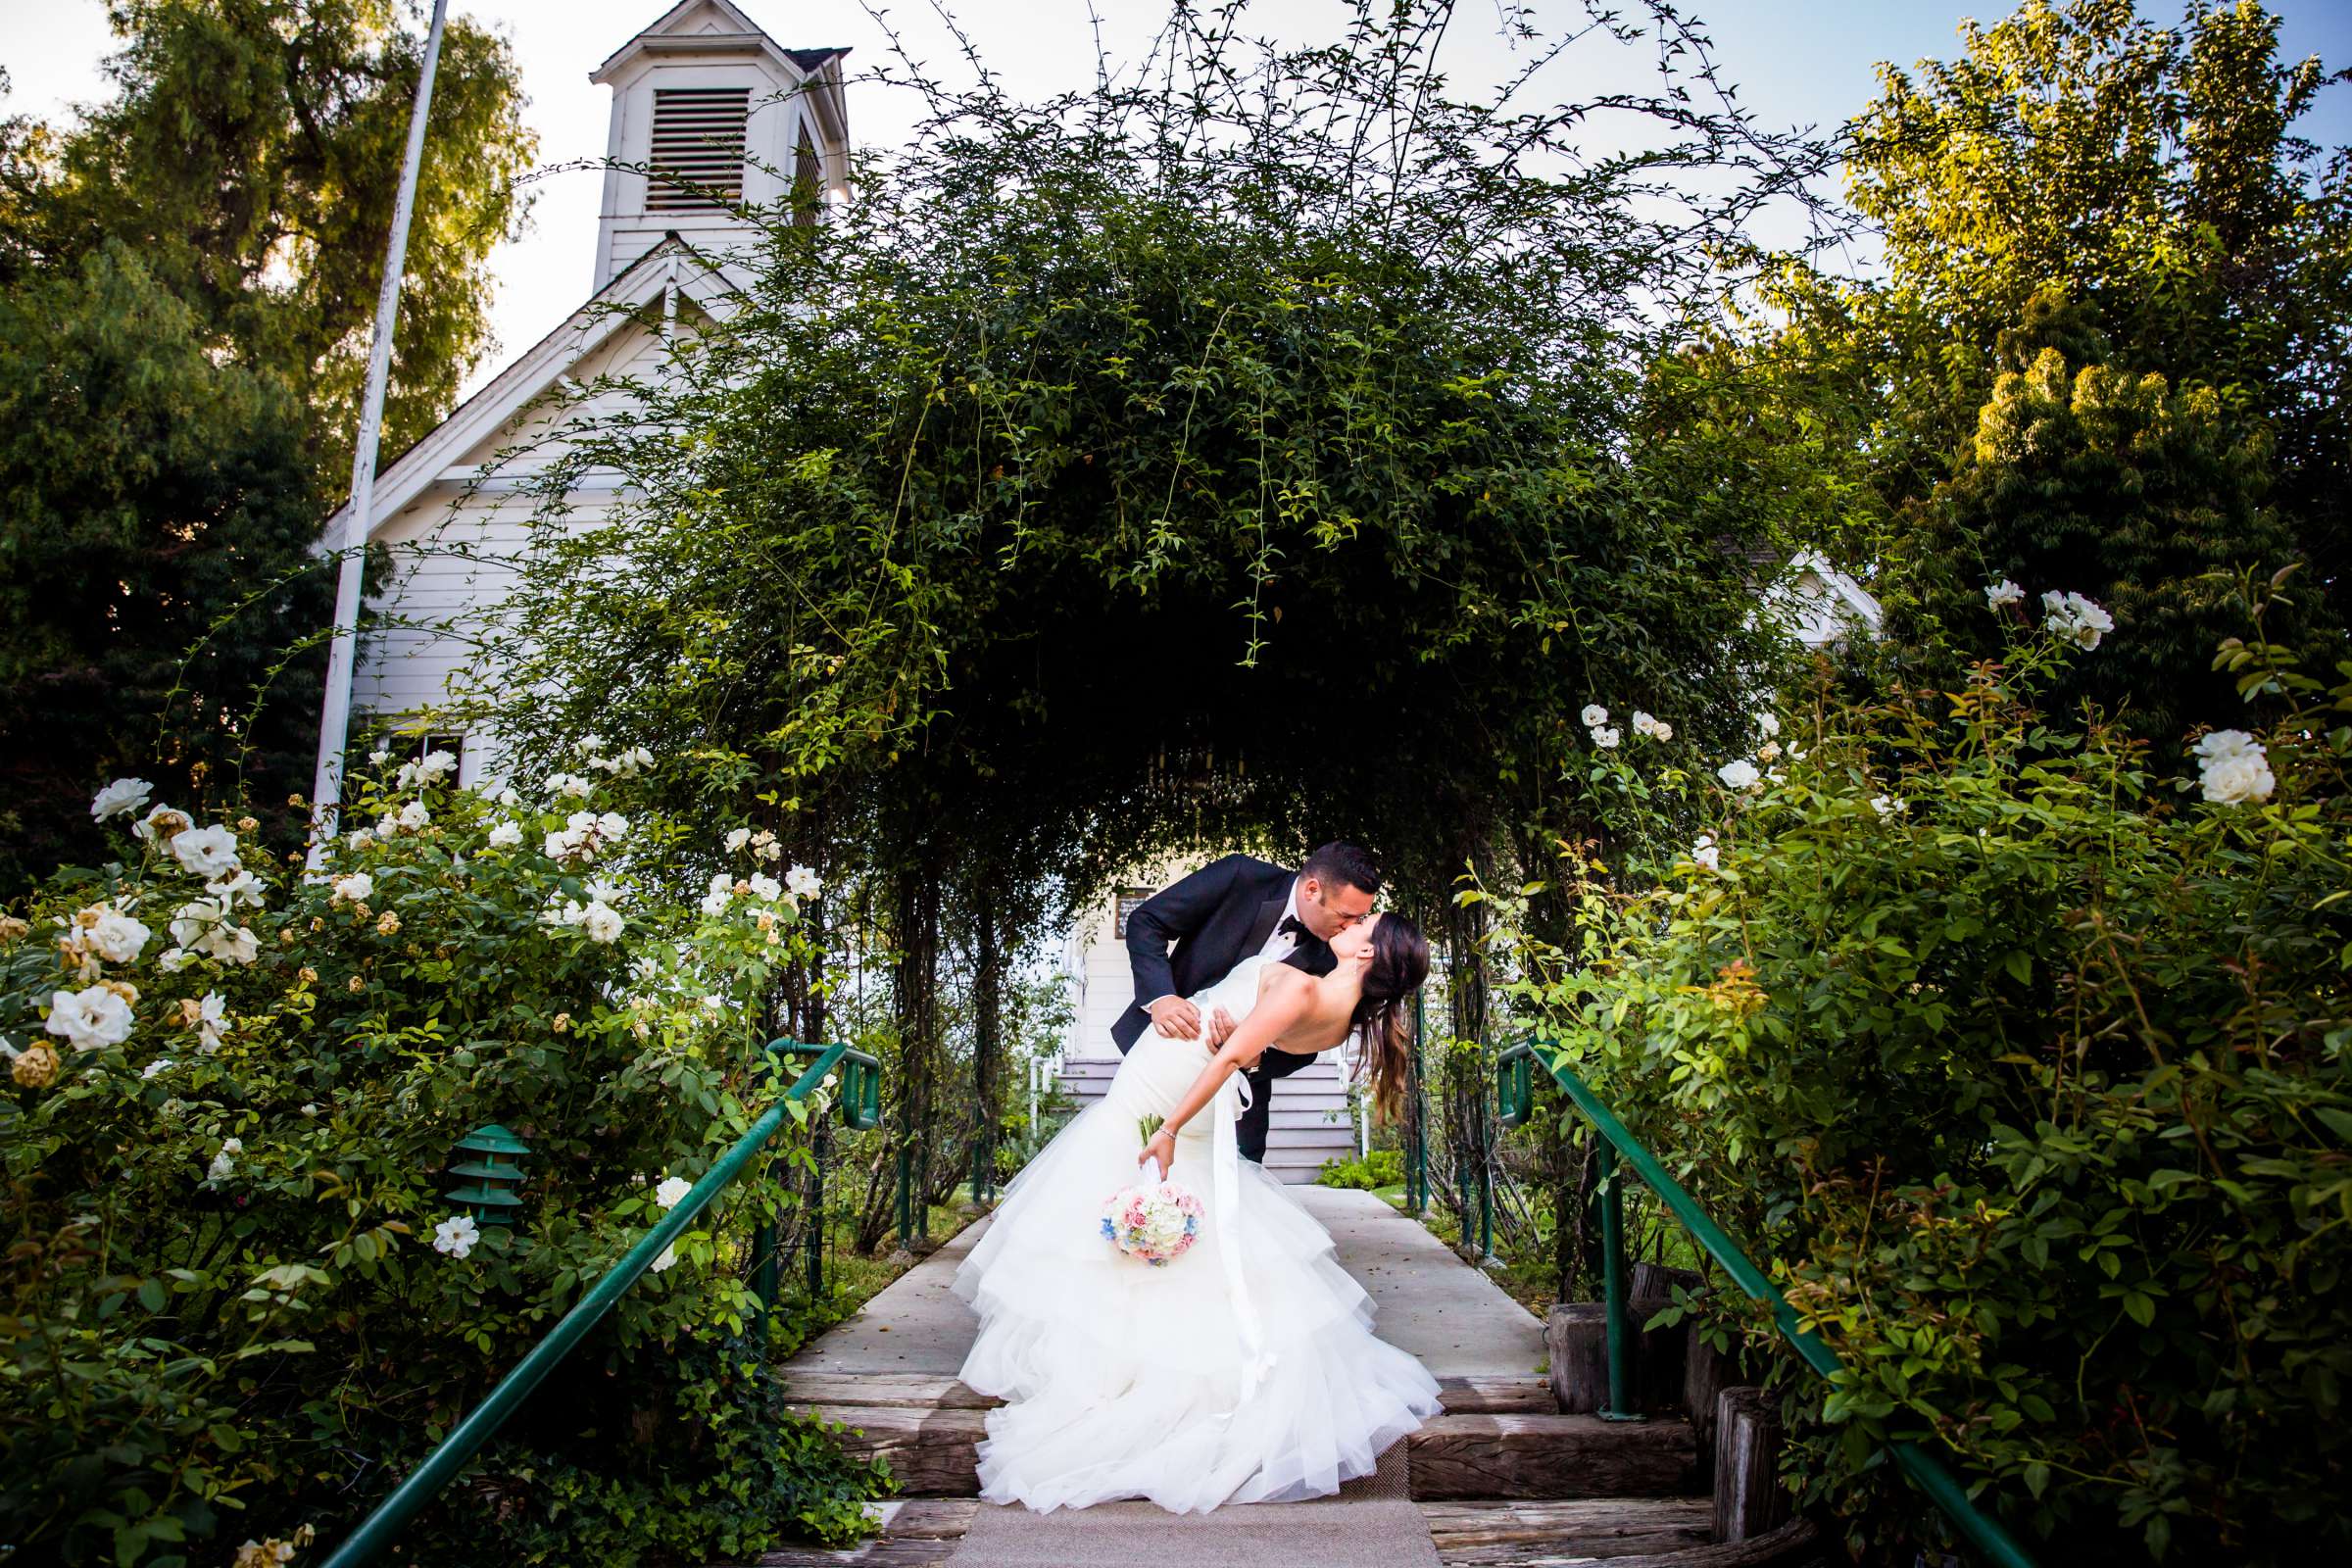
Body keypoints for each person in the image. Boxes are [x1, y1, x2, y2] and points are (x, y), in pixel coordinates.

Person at [953, 904, 1439, 1513]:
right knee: (1193, 1232)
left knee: (1127, 1186)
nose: (1349, 927)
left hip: (1174, 1091)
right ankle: (1153, 1357)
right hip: (1184, 1078)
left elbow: (1236, 1057)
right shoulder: (1339, 1019)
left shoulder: (1301, 986)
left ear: (1369, 954)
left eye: (1362, 927)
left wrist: (1171, 1127)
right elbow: (1256, 1046)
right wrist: (1242, 1038)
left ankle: (1126, 1376)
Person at [1115, 843, 1381, 1164]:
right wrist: (1161, 997)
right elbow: (1147, 922)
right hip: (1162, 1060)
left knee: (1230, 1195)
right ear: (1313, 890)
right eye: (1345, 916)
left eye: (1360, 920)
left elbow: (1308, 1048)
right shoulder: (1241, 876)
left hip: (1239, 1099)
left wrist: (1255, 1059)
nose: (1350, 927)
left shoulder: (1335, 959)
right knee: (1125, 1162)